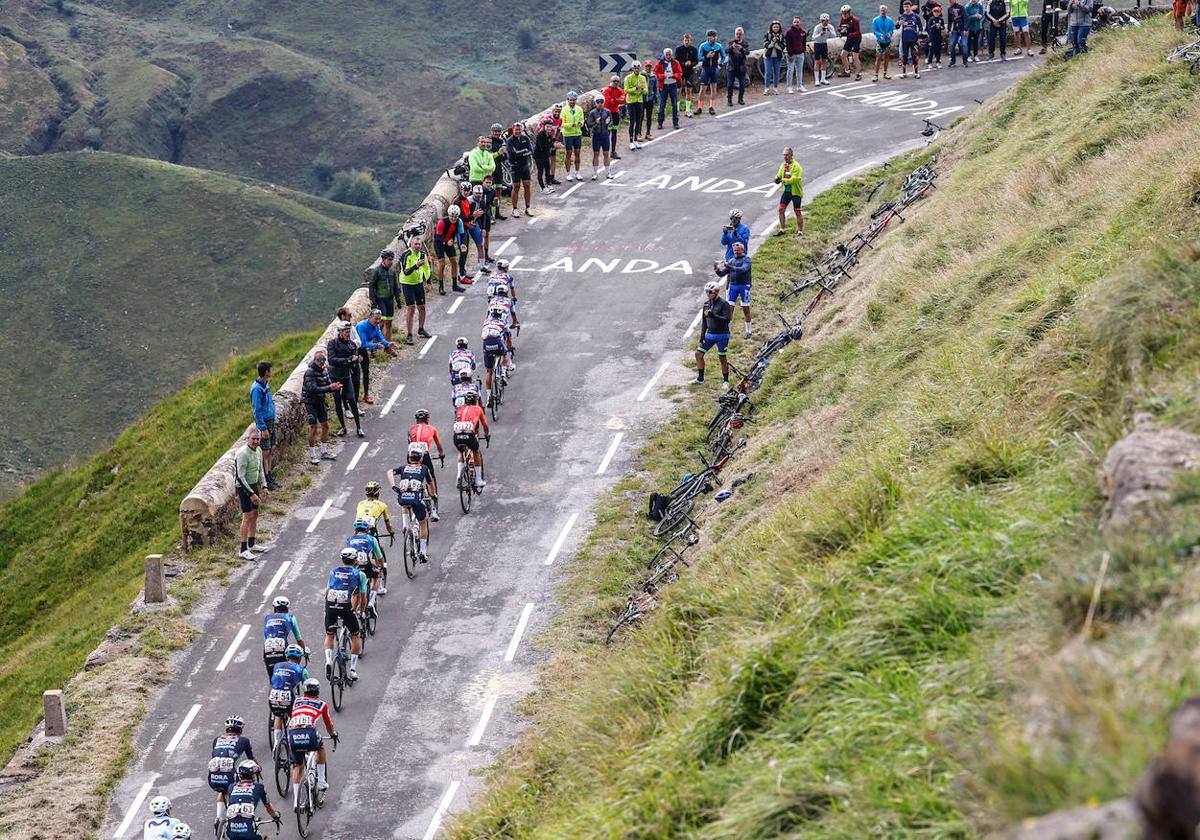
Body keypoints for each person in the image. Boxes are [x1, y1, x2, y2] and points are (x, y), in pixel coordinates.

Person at [285, 680, 338, 810]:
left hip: (292, 733)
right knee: (320, 747)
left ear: (305, 691)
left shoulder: (297, 701)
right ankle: (320, 781)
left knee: (298, 766)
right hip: (309, 733)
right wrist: (333, 734)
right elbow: (328, 725)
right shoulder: (322, 705)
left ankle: (296, 802)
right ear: (318, 691)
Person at [324, 547, 365, 681]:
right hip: (345, 605)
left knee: (329, 635)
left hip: (330, 603)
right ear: (355, 561)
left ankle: (329, 660)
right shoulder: (359, 574)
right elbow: (362, 597)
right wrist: (361, 611)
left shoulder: (333, 572)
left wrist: (327, 610)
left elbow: (327, 592)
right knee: (355, 634)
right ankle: (352, 670)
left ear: (342, 559)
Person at [389, 444, 435, 563]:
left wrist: (394, 486)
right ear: (421, 459)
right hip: (416, 499)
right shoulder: (424, 468)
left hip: (403, 497)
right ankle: (423, 552)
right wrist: (432, 495)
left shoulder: (404, 467)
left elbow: (390, 471)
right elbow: (430, 484)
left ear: (409, 458)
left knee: (404, 504)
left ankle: (405, 526)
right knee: (423, 522)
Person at [208, 715, 255, 830]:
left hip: (213, 775)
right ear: (240, 729)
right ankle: (235, 817)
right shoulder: (244, 740)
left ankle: (218, 818)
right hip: (228, 773)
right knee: (238, 788)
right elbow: (251, 759)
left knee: (223, 791)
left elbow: (215, 755)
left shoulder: (217, 739)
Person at [233, 428, 268, 560]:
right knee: (246, 517)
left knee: (255, 514)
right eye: (253, 439)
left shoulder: (258, 450)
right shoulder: (242, 454)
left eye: (257, 439)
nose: (255, 441)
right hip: (243, 487)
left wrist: (264, 485)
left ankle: (252, 543)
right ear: (248, 438)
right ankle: (243, 549)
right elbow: (240, 477)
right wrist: (251, 494)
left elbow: (260, 470)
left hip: (253, 485)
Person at [302, 350, 340, 465]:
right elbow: (312, 388)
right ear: (315, 360)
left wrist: (335, 387)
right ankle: (312, 455)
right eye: (319, 360)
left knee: (325, 426)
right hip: (310, 402)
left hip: (320, 400)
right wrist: (329, 388)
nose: (322, 362)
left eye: (323, 360)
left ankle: (324, 452)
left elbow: (328, 383)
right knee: (313, 427)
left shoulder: (325, 371)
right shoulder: (310, 372)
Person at [326, 321, 363, 439]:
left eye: (349, 332)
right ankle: (343, 427)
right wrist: (348, 360)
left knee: (352, 399)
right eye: (346, 332)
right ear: (340, 332)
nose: (348, 334)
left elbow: (353, 362)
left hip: (346, 375)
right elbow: (332, 360)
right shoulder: (332, 343)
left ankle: (359, 427)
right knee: (337, 401)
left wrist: (357, 360)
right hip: (335, 376)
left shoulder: (352, 345)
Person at [268, 645, 309, 748]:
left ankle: (277, 743)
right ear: (299, 658)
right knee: (295, 718)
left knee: (278, 716)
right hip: (288, 697)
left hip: (273, 695)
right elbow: (307, 690)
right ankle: (293, 742)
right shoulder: (301, 670)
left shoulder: (277, 665)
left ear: (286, 657)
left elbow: (272, 683)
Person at [694, 281, 733, 386]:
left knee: (722, 358)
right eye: (706, 292)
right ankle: (700, 379)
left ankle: (726, 381)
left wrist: (713, 315)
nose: (708, 294)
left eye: (709, 292)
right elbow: (704, 321)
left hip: (722, 335)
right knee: (698, 354)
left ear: (716, 292)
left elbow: (727, 319)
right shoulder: (706, 304)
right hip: (710, 335)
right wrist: (702, 335)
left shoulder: (724, 304)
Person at [408, 408, 445, 518]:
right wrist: (441, 454)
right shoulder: (432, 428)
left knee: (411, 473)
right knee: (430, 478)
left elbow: (409, 443)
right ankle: (434, 507)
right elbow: (438, 444)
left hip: (411, 454)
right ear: (427, 419)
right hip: (424, 454)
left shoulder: (411, 429)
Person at [248, 361, 279, 492]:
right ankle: (266, 479)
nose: (272, 371)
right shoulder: (257, 389)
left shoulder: (265, 385)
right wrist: (263, 428)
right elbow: (257, 410)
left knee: (270, 449)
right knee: (265, 452)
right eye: (270, 370)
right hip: (265, 423)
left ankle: (270, 476)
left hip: (271, 420)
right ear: (266, 372)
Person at [355, 310, 397, 404]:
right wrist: (376, 346)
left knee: (366, 372)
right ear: (370, 317)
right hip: (353, 349)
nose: (378, 321)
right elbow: (363, 342)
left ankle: (366, 395)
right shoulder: (362, 326)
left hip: (362, 349)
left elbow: (380, 338)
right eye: (376, 319)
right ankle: (353, 397)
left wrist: (388, 344)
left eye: (379, 319)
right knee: (355, 375)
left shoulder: (376, 326)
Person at [355, 481, 394, 582]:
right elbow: (387, 523)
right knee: (376, 552)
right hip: (370, 529)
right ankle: (378, 575)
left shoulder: (360, 503)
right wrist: (391, 532)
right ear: (378, 493)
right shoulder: (382, 505)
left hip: (358, 528)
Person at [346, 516, 385, 611]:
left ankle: (354, 613)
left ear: (355, 530)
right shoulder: (371, 539)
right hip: (367, 565)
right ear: (367, 529)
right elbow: (379, 556)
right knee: (377, 576)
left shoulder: (349, 539)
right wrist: (381, 567)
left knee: (355, 592)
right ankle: (371, 601)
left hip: (355, 566)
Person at [715, 241, 753, 338]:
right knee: (729, 309)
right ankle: (728, 331)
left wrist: (730, 267)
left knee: (746, 309)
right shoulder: (731, 260)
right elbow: (722, 274)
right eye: (735, 250)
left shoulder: (746, 259)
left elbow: (743, 270)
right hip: (733, 286)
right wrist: (716, 269)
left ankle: (748, 331)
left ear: (742, 250)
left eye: (738, 250)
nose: (736, 252)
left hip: (744, 286)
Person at [453, 391, 490, 489]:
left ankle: (458, 476)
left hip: (457, 435)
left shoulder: (459, 408)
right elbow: (485, 425)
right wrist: (487, 434)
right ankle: (478, 480)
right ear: (475, 401)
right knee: (476, 451)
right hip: (469, 434)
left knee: (461, 452)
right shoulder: (478, 408)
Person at [262, 596, 304, 679]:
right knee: (287, 674)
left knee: (273, 682)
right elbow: (298, 639)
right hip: (283, 649)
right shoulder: (291, 618)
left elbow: (265, 638)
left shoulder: (267, 619)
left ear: (274, 608)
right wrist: (303, 652)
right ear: (287, 608)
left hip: (268, 649)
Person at [454, 181, 488, 275]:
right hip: (462, 227)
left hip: (472, 223)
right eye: (464, 190)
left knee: (479, 244)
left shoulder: (481, 201)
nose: (478, 195)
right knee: (464, 250)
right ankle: (462, 272)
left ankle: (482, 266)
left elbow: (483, 216)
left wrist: (483, 228)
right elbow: (461, 218)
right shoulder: (465, 200)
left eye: (467, 190)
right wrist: (473, 216)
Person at [480, 306, 513, 405]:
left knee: (489, 372)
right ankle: (503, 373)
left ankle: (489, 396)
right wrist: (509, 347)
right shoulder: (502, 322)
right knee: (504, 353)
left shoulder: (485, 322)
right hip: (497, 342)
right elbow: (508, 336)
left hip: (486, 344)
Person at [366, 250, 399, 341]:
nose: (391, 262)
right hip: (380, 300)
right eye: (389, 260)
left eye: (392, 259)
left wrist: (398, 299)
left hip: (390, 300)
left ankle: (387, 346)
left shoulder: (392, 272)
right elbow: (371, 287)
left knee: (389, 323)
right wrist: (373, 301)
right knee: (380, 323)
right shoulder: (376, 271)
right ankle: (374, 347)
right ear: (383, 259)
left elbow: (396, 287)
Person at [434, 205, 467, 293]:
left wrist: (463, 244)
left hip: (449, 242)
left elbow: (462, 234)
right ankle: (441, 287)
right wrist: (446, 242)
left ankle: (455, 285)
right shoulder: (442, 222)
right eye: (452, 216)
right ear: (449, 215)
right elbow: (438, 237)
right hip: (439, 243)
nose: (453, 218)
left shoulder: (459, 222)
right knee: (442, 264)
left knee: (454, 262)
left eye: (455, 216)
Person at [505, 121, 534, 216]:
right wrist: (524, 152)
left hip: (525, 165)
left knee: (527, 186)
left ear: (522, 130)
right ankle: (514, 209)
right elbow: (513, 154)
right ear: (513, 130)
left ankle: (528, 207)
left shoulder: (525, 138)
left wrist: (521, 153)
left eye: (519, 130)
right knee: (516, 187)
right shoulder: (510, 140)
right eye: (516, 130)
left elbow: (531, 150)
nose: (518, 131)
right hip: (515, 166)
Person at [775, 147, 804, 236]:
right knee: (781, 210)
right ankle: (782, 229)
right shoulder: (783, 165)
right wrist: (776, 178)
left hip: (795, 192)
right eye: (784, 155)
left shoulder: (796, 166)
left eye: (787, 155)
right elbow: (779, 174)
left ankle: (800, 231)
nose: (785, 157)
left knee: (797, 212)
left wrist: (782, 180)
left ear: (791, 155)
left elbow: (794, 179)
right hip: (787, 192)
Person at [697, 30, 726, 115]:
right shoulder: (703, 46)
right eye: (712, 36)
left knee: (714, 88)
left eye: (715, 36)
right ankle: (699, 107)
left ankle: (711, 106)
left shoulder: (718, 46)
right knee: (703, 89)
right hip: (705, 68)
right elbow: (698, 57)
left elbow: (724, 56)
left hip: (714, 68)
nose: (714, 38)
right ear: (709, 37)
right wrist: (706, 56)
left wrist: (720, 64)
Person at [654, 48, 683, 130]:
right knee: (662, 105)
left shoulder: (676, 63)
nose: (668, 56)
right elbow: (655, 72)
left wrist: (673, 76)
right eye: (666, 54)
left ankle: (675, 123)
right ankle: (660, 123)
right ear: (664, 55)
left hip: (673, 85)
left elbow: (680, 73)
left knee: (674, 104)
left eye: (669, 54)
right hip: (663, 86)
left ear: (671, 55)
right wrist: (662, 76)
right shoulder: (660, 63)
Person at [586, 100, 615, 181]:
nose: (600, 104)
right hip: (596, 135)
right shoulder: (592, 113)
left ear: (603, 103)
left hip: (605, 135)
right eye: (598, 103)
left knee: (606, 153)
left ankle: (608, 173)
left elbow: (611, 122)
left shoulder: (607, 111)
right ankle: (595, 173)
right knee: (596, 154)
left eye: (601, 102)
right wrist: (596, 122)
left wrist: (608, 123)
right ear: (595, 103)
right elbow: (589, 124)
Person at [560, 91, 585, 182]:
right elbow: (562, 124)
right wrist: (572, 124)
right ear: (567, 100)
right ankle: (568, 173)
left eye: (574, 100)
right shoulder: (564, 110)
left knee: (577, 154)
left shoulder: (579, 109)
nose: (572, 102)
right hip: (568, 135)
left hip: (577, 133)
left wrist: (581, 123)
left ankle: (577, 172)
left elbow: (582, 119)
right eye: (570, 100)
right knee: (568, 154)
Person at [624, 65, 648, 149]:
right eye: (635, 68)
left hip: (639, 101)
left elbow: (645, 90)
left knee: (638, 121)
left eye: (638, 68)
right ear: (632, 69)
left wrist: (641, 89)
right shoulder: (628, 78)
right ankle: (631, 141)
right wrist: (636, 88)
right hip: (631, 101)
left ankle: (635, 140)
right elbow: (626, 90)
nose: (637, 70)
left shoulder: (642, 78)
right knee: (632, 121)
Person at [533, 117, 560, 193]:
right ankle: (542, 187)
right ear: (544, 126)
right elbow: (542, 147)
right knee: (541, 171)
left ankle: (548, 184)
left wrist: (557, 143)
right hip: (538, 156)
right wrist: (553, 145)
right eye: (547, 126)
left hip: (545, 155)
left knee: (547, 169)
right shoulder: (540, 135)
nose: (549, 128)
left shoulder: (549, 134)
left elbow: (551, 141)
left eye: (550, 127)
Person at [601, 75, 624, 161]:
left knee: (614, 131)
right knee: (608, 132)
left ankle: (613, 151)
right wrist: (616, 100)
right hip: (607, 114)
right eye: (614, 81)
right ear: (611, 81)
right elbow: (608, 101)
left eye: (617, 81)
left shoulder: (620, 90)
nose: (616, 83)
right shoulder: (607, 90)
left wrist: (614, 100)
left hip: (615, 113)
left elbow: (623, 100)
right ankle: (606, 151)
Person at [676, 33, 699, 117]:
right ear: (683, 40)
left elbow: (696, 61)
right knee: (678, 91)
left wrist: (691, 63)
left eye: (688, 40)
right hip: (680, 72)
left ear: (690, 40)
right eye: (685, 40)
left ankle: (688, 109)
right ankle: (677, 110)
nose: (686, 42)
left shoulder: (694, 49)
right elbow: (676, 61)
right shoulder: (678, 49)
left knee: (688, 91)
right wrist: (684, 63)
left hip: (689, 72)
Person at [899, 1, 924, 76]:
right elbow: (896, 26)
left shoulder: (916, 16)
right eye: (905, 7)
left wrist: (919, 37)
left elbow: (920, 27)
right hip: (905, 39)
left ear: (911, 7)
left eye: (907, 7)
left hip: (914, 39)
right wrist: (899, 23)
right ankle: (904, 73)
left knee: (914, 56)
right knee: (904, 56)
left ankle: (916, 72)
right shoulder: (901, 16)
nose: (906, 8)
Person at [839, 5, 865, 79]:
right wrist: (841, 30)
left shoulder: (855, 20)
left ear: (849, 12)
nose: (844, 14)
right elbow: (840, 27)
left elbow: (857, 32)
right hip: (850, 38)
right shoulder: (843, 19)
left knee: (855, 56)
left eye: (845, 13)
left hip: (856, 39)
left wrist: (848, 33)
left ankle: (858, 73)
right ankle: (847, 71)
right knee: (843, 55)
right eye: (843, 13)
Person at [785, 17, 809, 93]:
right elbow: (788, 44)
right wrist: (790, 54)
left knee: (800, 70)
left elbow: (804, 43)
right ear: (792, 23)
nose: (796, 23)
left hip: (800, 54)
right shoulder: (789, 32)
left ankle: (800, 86)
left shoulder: (803, 32)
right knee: (790, 70)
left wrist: (803, 51)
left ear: (800, 22)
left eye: (797, 22)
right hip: (792, 54)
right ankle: (789, 87)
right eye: (795, 22)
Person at [726, 28, 749, 105]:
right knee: (730, 84)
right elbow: (726, 51)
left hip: (741, 67)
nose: (738, 35)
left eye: (740, 34)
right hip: (731, 66)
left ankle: (740, 99)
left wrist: (741, 48)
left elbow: (747, 52)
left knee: (742, 84)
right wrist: (732, 47)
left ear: (742, 35)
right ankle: (729, 100)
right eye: (737, 34)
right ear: (735, 34)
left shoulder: (745, 43)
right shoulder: (730, 42)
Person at [812, 14, 837, 84]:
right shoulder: (817, 27)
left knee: (824, 61)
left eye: (826, 21)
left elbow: (834, 35)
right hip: (817, 44)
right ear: (821, 21)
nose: (825, 22)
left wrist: (829, 31)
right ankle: (816, 79)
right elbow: (813, 37)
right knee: (817, 61)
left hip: (824, 44)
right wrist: (820, 34)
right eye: (823, 21)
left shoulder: (830, 26)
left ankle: (823, 78)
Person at [763, 21, 786, 95]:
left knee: (777, 73)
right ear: (771, 27)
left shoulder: (782, 35)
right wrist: (773, 42)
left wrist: (775, 45)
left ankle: (776, 88)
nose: (775, 28)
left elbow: (783, 46)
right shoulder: (768, 35)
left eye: (777, 27)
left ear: (779, 28)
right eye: (774, 27)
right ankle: (767, 88)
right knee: (768, 72)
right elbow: (765, 44)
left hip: (777, 57)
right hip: (768, 56)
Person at [872, 6, 896, 80]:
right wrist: (880, 35)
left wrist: (890, 33)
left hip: (888, 41)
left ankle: (885, 73)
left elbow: (892, 29)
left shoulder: (890, 20)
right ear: (880, 11)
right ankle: (876, 74)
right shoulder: (875, 20)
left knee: (886, 57)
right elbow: (874, 30)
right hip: (880, 41)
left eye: (884, 10)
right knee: (878, 57)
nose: (883, 12)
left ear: (887, 11)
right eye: (882, 10)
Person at [947, 0, 969, 65]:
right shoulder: (949, 9)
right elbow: (949, 20)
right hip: (955, 29)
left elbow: (966, 18)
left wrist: (965, 29)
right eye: (950, 1)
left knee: (964, 45)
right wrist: (949, 29)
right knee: (952, 45)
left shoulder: (961, 7)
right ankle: (953, 61)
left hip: (963, 29)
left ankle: (965, 61)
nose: (950, 1)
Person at [642, 59, 658, 139]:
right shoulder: (640, 75)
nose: (648, 68)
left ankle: (648, 132)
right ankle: (638, 133)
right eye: (646, 66)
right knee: (640, 117)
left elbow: (655, 87)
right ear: (644, 67)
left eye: (649, 66)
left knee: (649, 117)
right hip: (641, 99)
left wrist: (656, 97)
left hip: (650, 99)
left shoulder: (653, 76)